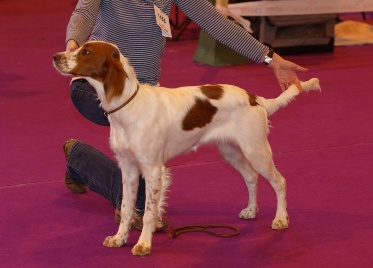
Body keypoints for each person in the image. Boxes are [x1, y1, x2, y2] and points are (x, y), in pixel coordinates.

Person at [62, 0, 307, 231]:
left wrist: (271, 60)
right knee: (137, 149)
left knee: (140, 152)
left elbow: (214, 22)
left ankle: (80, 158)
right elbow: (84, 11)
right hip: (94, 86)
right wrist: (72, 47)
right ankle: (123, 192)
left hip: (146, 93)